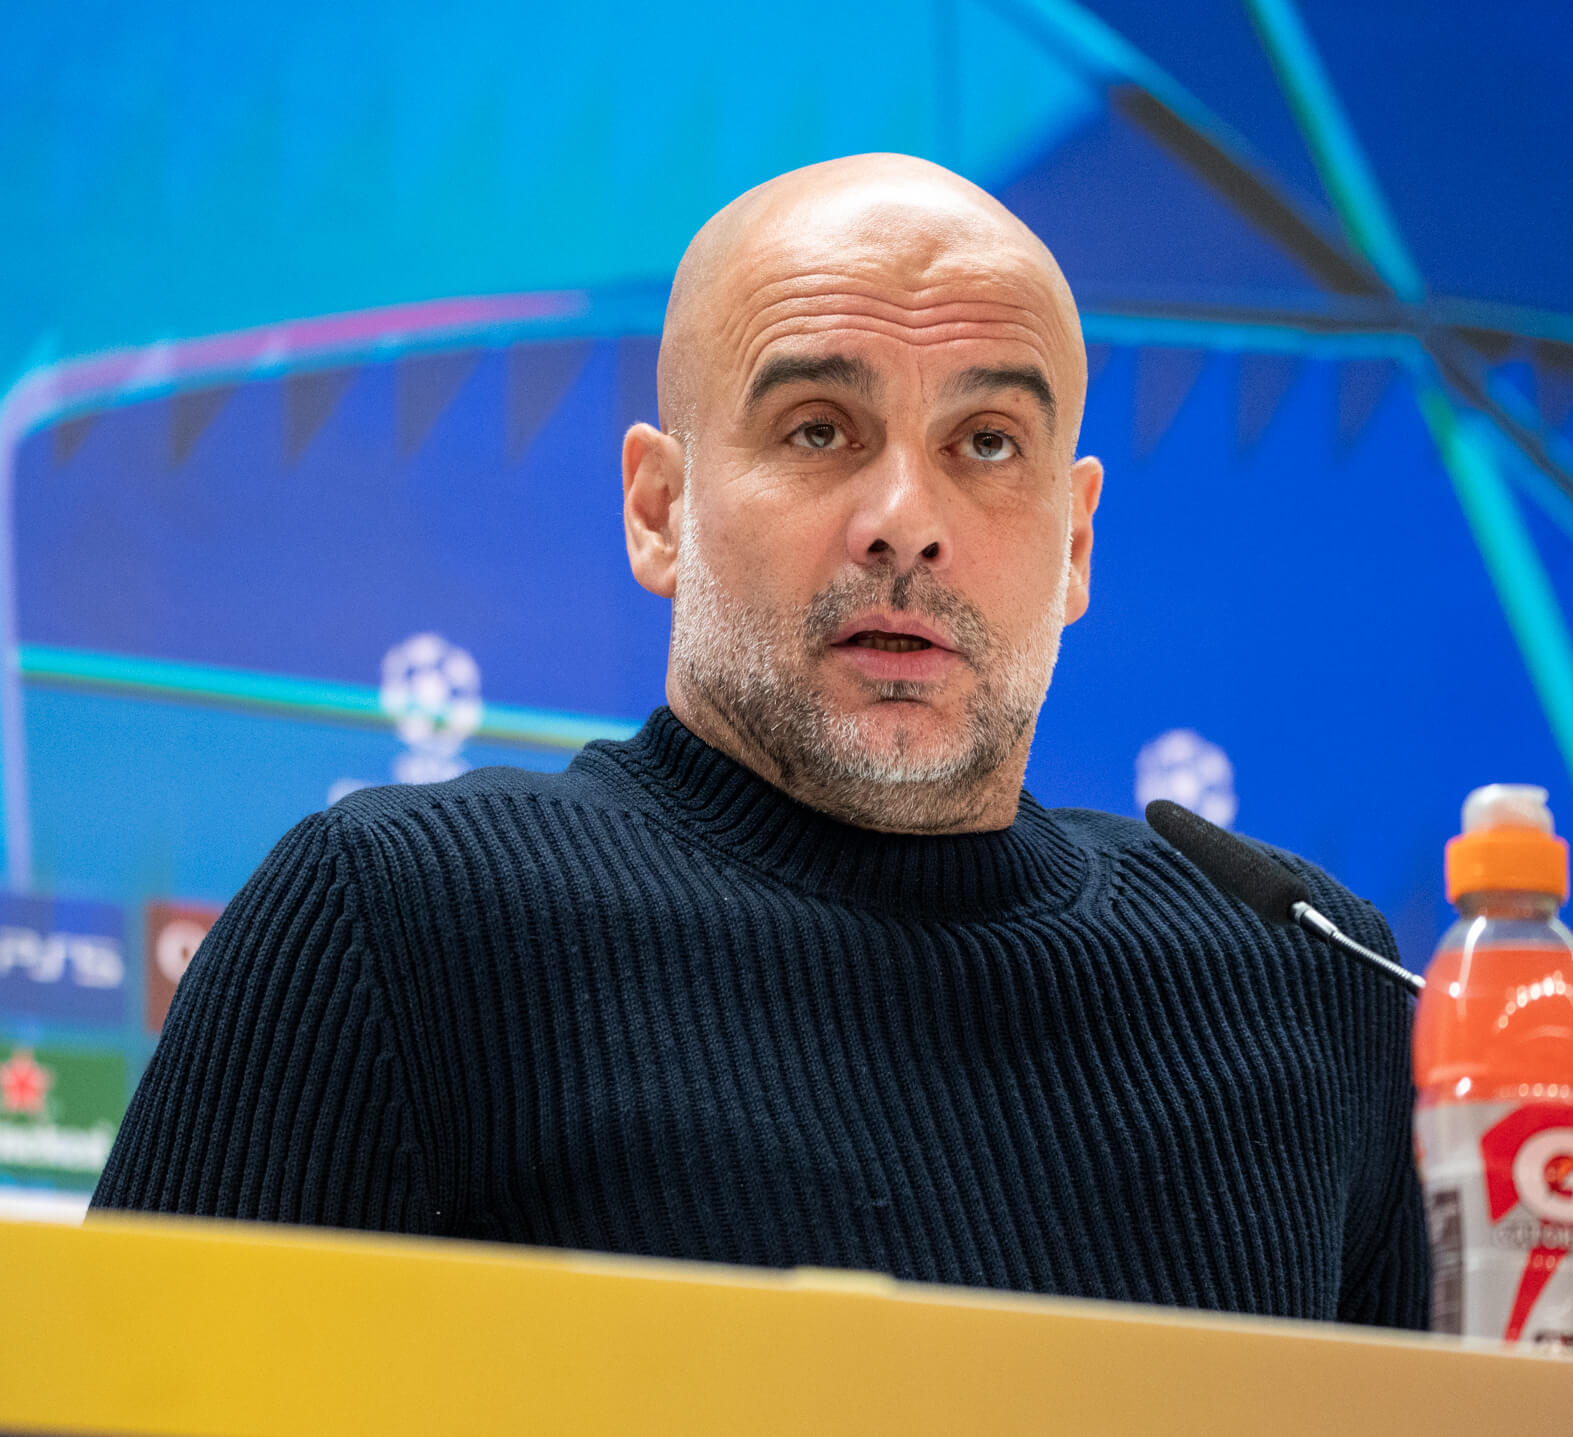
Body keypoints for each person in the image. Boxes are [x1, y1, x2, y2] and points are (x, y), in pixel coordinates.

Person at [93, 154, 1428, 1328]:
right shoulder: (397, 920)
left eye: (987, 440)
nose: (906, 519)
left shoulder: (1311, 983)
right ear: (658, 508)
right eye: (818, 429)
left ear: (1075, 543)